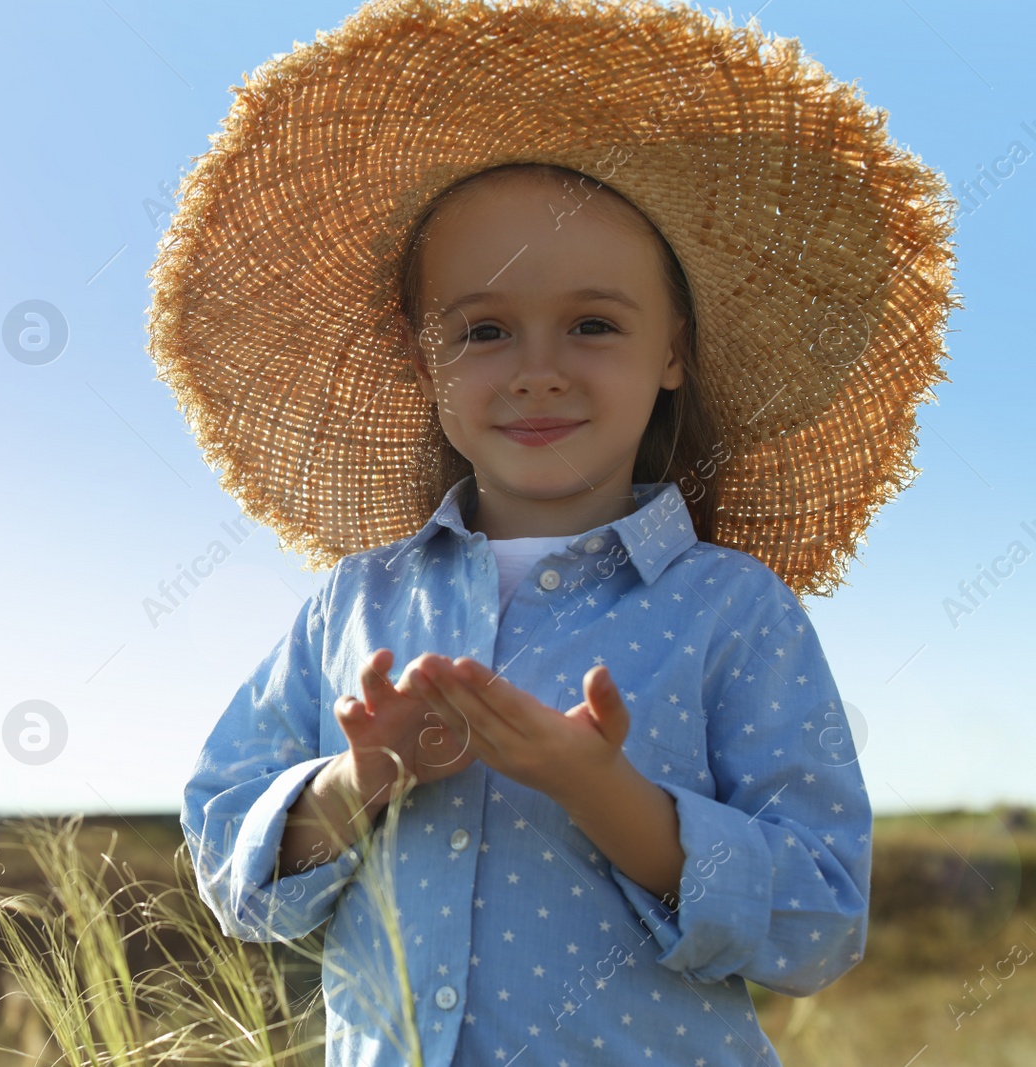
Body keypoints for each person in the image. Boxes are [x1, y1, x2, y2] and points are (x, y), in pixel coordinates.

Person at [150, 1, 957, 1064]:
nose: (536, 366)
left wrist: (601, 789)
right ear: (420, 357)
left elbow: (814, 924)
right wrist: (361, 779)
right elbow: (228, 863)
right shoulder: (353, 605)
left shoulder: (730, 609)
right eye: (482, 329)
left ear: (673, 347)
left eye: (592, 323)